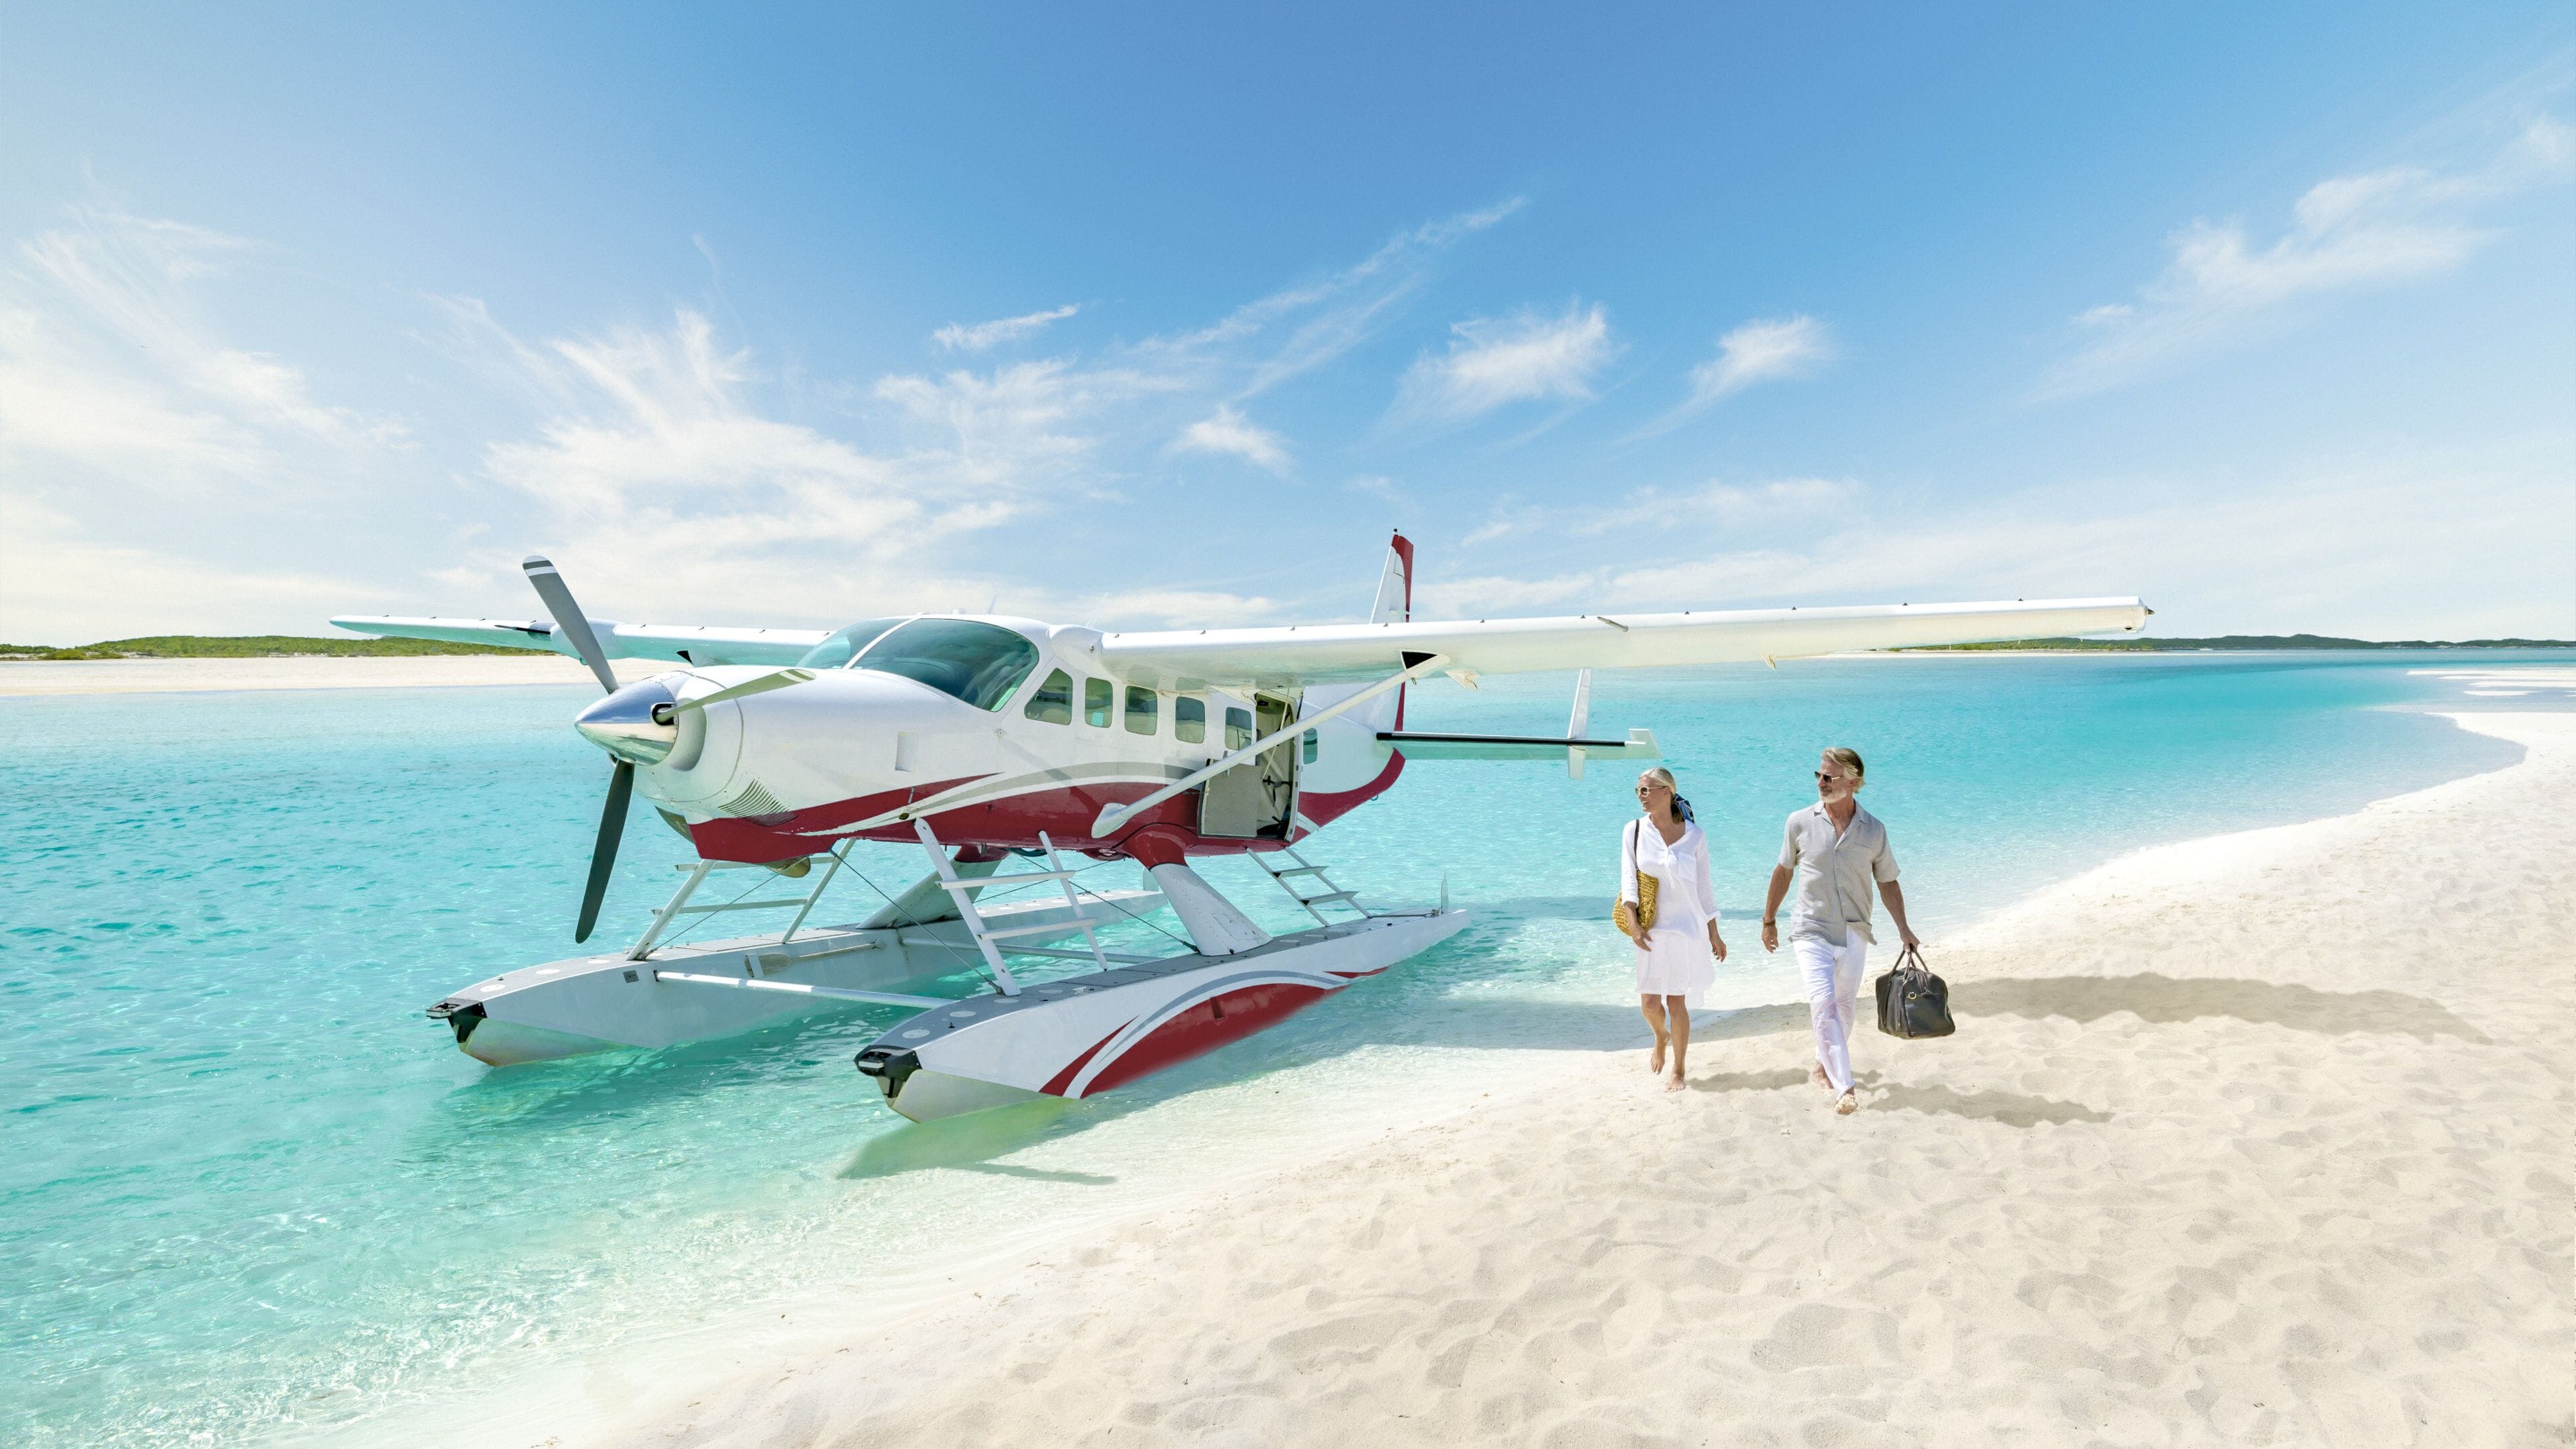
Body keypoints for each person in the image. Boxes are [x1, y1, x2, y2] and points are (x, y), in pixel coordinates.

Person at [1760, 747, 1918, 1116]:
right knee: (1823, 1003)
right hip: (1810, 927)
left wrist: (1904, 928)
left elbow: (1888, 881)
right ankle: (1845, 1087)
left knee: (1845, 1006)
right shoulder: (1799, 822)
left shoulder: (1874, 830)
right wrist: (1769, 919)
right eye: (1818, 775)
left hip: (1855, 928)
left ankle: (1822, 1062)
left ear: (1853, 782)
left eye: (1829, 777)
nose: (1821, 783)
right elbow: (1783, 871)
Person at [1622, 767, 1725, 1092]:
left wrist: (1714, 932)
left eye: (1646, 790)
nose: (1641, 796)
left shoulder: (1695, 836)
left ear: (1666, 791)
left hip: (1686, 930)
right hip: (1651, 930)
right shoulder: (1634, 831)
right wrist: (1633, 924)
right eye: (1639, 790)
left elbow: (1704, 889)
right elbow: (1628, 882)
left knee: (1676, 1002)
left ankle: (1679, 1069)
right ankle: (1660, 1036)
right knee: (1651, 1004)